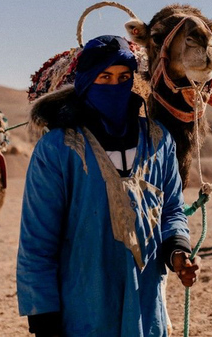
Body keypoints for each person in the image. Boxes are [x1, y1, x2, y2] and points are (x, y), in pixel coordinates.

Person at [17, 35, 200, 337]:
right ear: (87, 81)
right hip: (82, 311)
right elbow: (37, 242)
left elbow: (171, 212)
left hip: (145, 308)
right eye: (104, 77)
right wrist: (43, 318)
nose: (115, 86)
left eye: (123, 77)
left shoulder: (159, 140)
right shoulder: (58, 149)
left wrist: (177, 251)